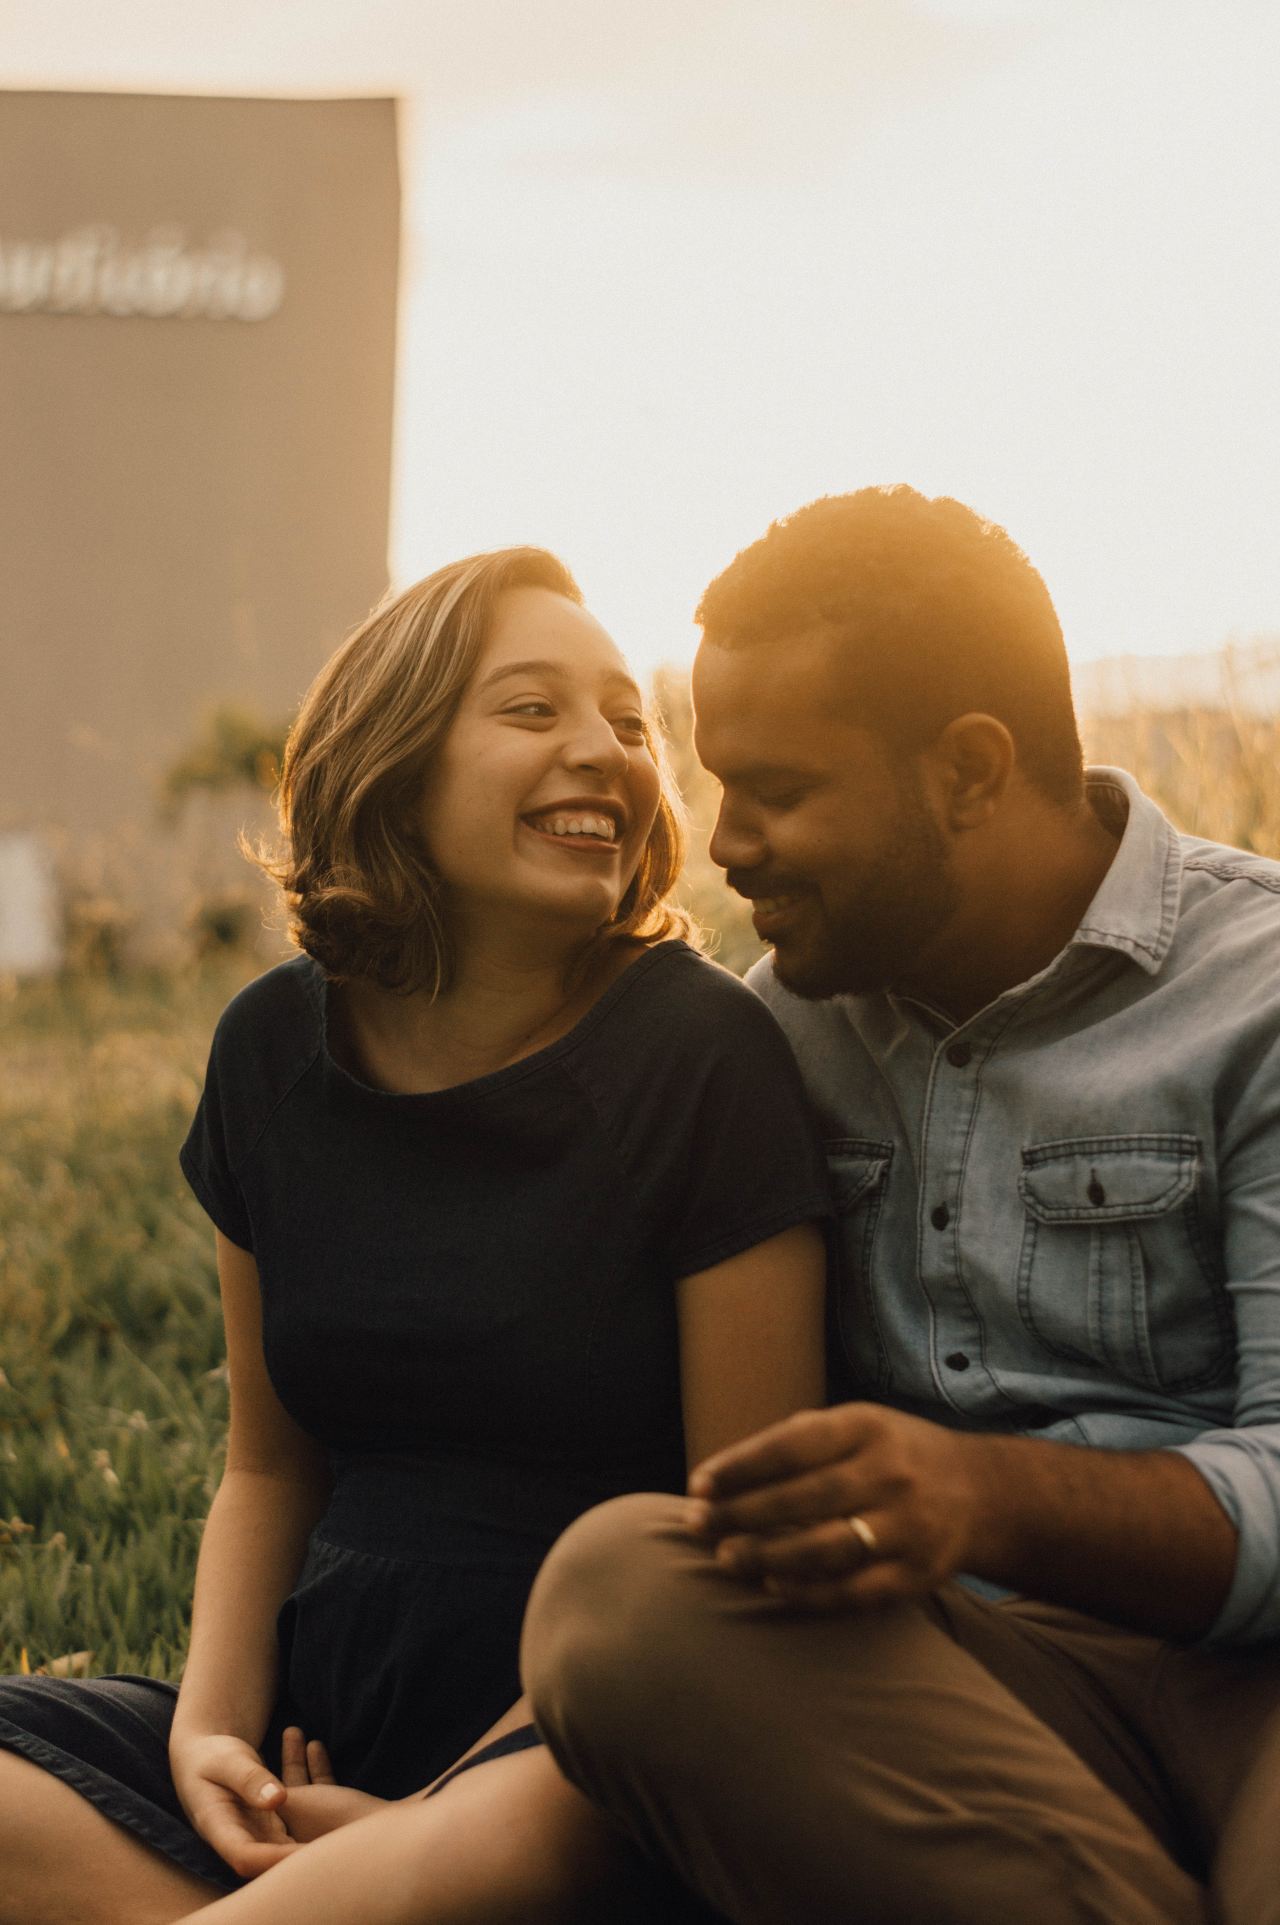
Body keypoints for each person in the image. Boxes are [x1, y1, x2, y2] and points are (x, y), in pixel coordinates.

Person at [0, 546, 831, 1925]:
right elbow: (268, 1468)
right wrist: (209, 1737)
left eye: (629, 721)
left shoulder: (704, 1052)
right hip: (312, 1735)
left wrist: (444, 1814)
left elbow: (724, 1548)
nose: (605, 752)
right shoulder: (270, 1048)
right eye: (531, 709)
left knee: (505, 1847)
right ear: (395, 753)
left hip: (580, 1750)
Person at [521, 487, 1280, 1925]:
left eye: (779, 789)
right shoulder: (777, 1034)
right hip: (943, 1687)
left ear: (971, 770)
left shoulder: (1260, 992)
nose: (722, 838)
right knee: (617, 1590)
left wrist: (982, 1494)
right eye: (712, 778)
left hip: (1253, 1681)